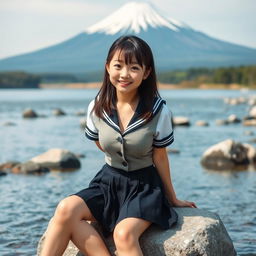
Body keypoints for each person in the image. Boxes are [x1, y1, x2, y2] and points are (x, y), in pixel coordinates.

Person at [41, 35, 196, 256]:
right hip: (108, 181)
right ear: (107, 67)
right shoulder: (97, 106)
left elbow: (160, 156)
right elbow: (99, 142)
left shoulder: (159, 110)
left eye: (134, 67)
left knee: (123, 234)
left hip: (144, 187)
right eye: (118, 65)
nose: (124, 74)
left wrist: (172, 198)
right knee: (66, 210)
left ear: (147, 72)